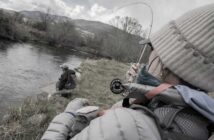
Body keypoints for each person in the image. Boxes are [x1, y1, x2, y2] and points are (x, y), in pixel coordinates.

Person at [41, 4, 214, 140]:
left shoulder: (127, 127)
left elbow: (129, 127)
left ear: (168, 61)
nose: (149, 55)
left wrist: (68, 114)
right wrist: (138, 96)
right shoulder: (199, 121)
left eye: (152, 48)